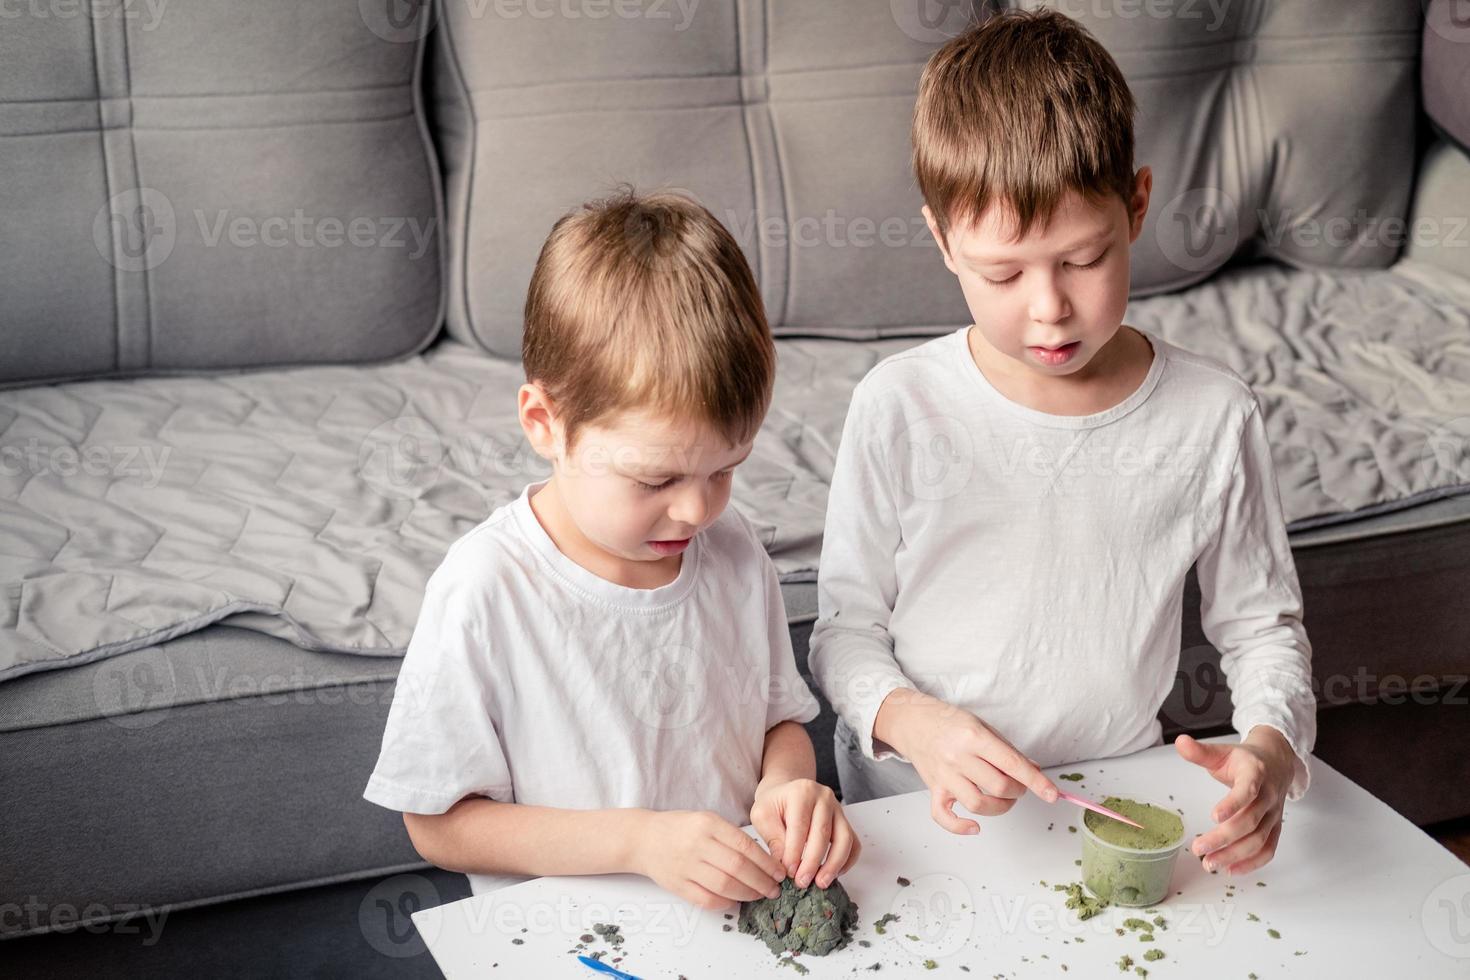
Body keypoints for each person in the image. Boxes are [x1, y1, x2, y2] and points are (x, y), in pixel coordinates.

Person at [809, 9, 1314, 878]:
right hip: (919, 812)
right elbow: (844, 631)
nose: (1048, 307)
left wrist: (1271, 749)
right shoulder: (899, 406)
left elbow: (1263, 628)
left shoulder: (1213, 415)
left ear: (1138, 205)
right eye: (1002, 273)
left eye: (1084, 258)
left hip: (1107, 803)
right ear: (942, 241)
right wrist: (913, 723)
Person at [365, 188, 860, 907]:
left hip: (722, 927)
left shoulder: (732, 550)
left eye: (726, 469)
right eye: (654, 476)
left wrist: (788, 784)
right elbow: (437, 824)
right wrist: (639, 842)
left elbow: (778, 719)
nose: (697, 508)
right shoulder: (486, 588)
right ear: (544, 423)